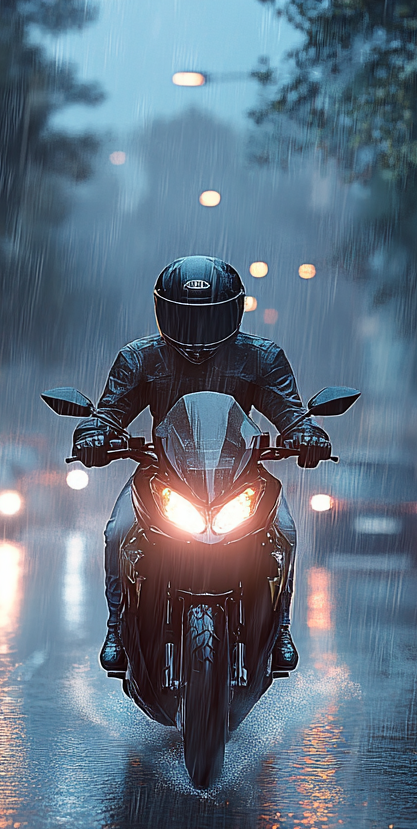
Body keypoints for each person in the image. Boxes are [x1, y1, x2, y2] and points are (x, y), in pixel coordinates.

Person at [73, 255, 331, 674]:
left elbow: (290, 411)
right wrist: (92, 435)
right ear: (163, 313)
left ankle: (281, 626)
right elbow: (109, 413)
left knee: (284, 529)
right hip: (163, 473)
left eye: (208, 320)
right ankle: (117, 627)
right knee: (118, 530)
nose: (197, 333)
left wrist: (307, 435)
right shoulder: (139, 358)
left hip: (241, 476)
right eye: (186, 319)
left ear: (232, 313)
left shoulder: (262, 357)